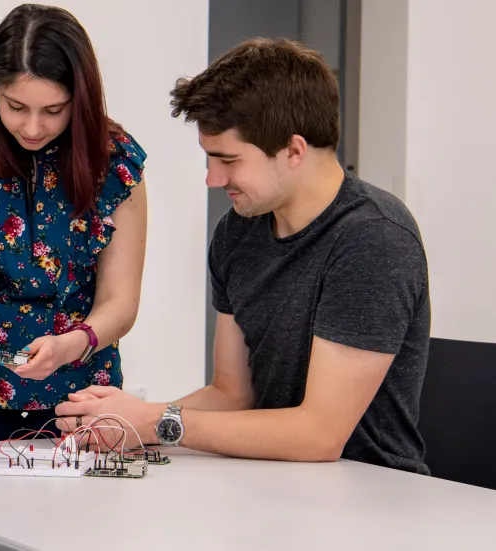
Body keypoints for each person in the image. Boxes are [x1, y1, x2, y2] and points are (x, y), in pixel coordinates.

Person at [55, 38, 431, 475]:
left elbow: (320, 434)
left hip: (371, 494)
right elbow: (232, 394)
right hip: (267, 480)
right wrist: (128, 420)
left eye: (227, 160)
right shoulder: (238, 231)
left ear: (294, 150)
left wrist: (155, 421)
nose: (213, 179)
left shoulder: (375, 240)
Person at [0, 4, 148, 444]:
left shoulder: (113, 161)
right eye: (16, 106)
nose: (33, 127)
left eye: (54, 110)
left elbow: (121, 300)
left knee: (75, 513)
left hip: (79, 392)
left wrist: (73, 343)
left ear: (81, 100)